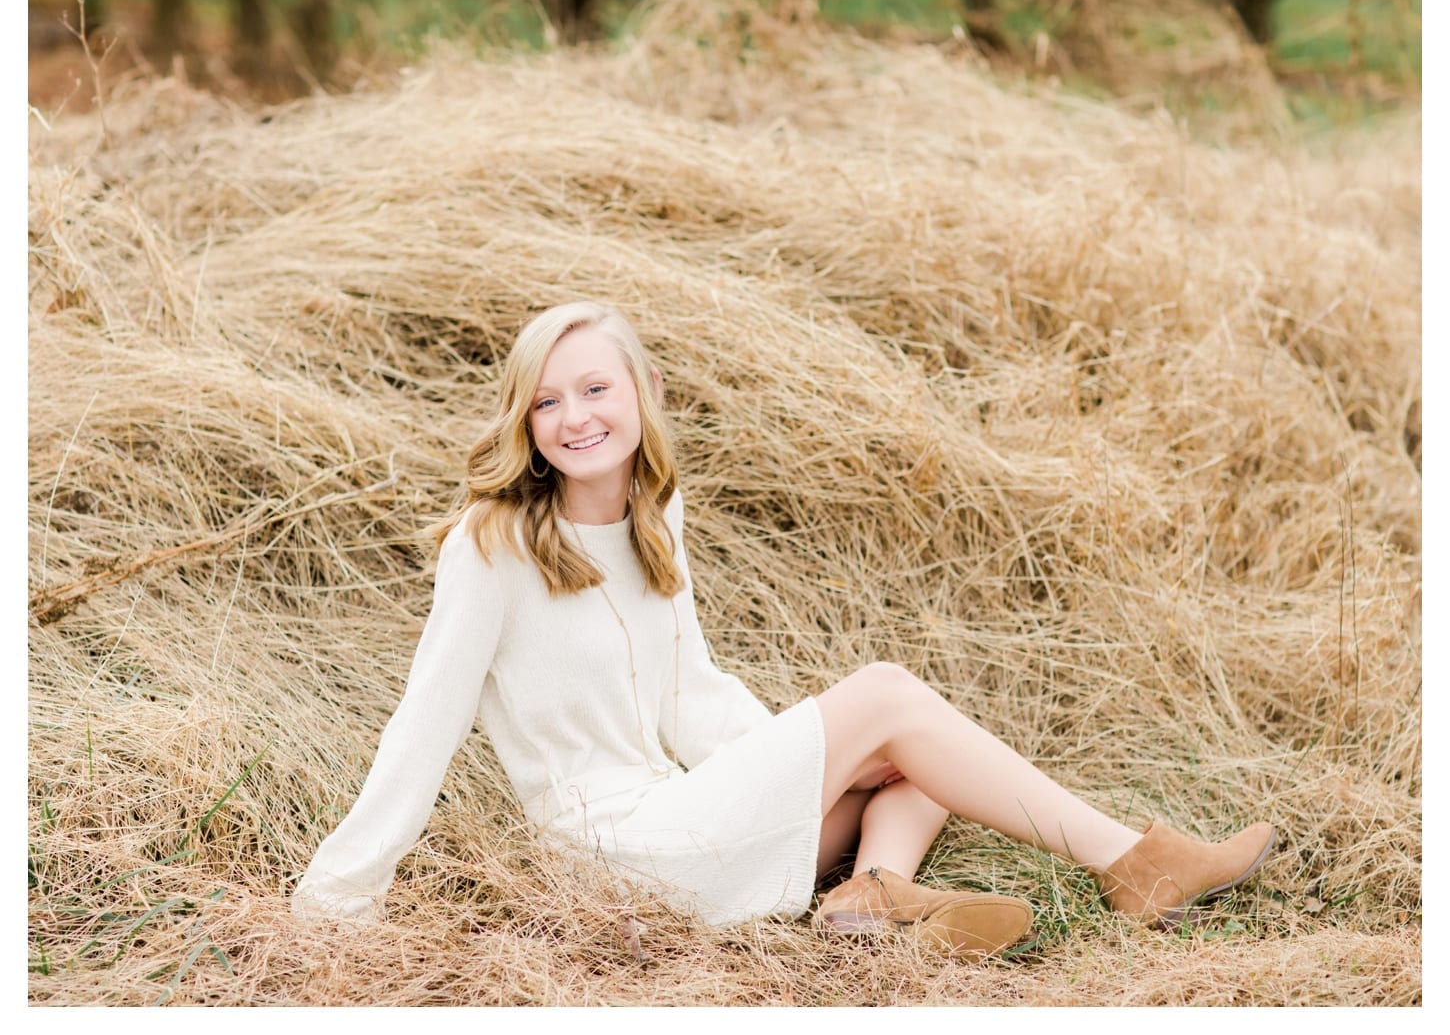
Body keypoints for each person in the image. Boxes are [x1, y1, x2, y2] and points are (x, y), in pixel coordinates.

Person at [292, 301, 1275, 960]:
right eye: (546, 401)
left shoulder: (651, 516)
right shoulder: (493, 545)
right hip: (614, 858)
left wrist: (807, 759)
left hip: (683, 818)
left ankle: (870, 891)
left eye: (594, 388)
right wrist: (334, 900)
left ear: (642, 391)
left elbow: (691, 696)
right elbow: (423, 726)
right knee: (891, 697)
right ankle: (1131, 865)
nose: (573, 416)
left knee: (914, 756)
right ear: (524, 422)